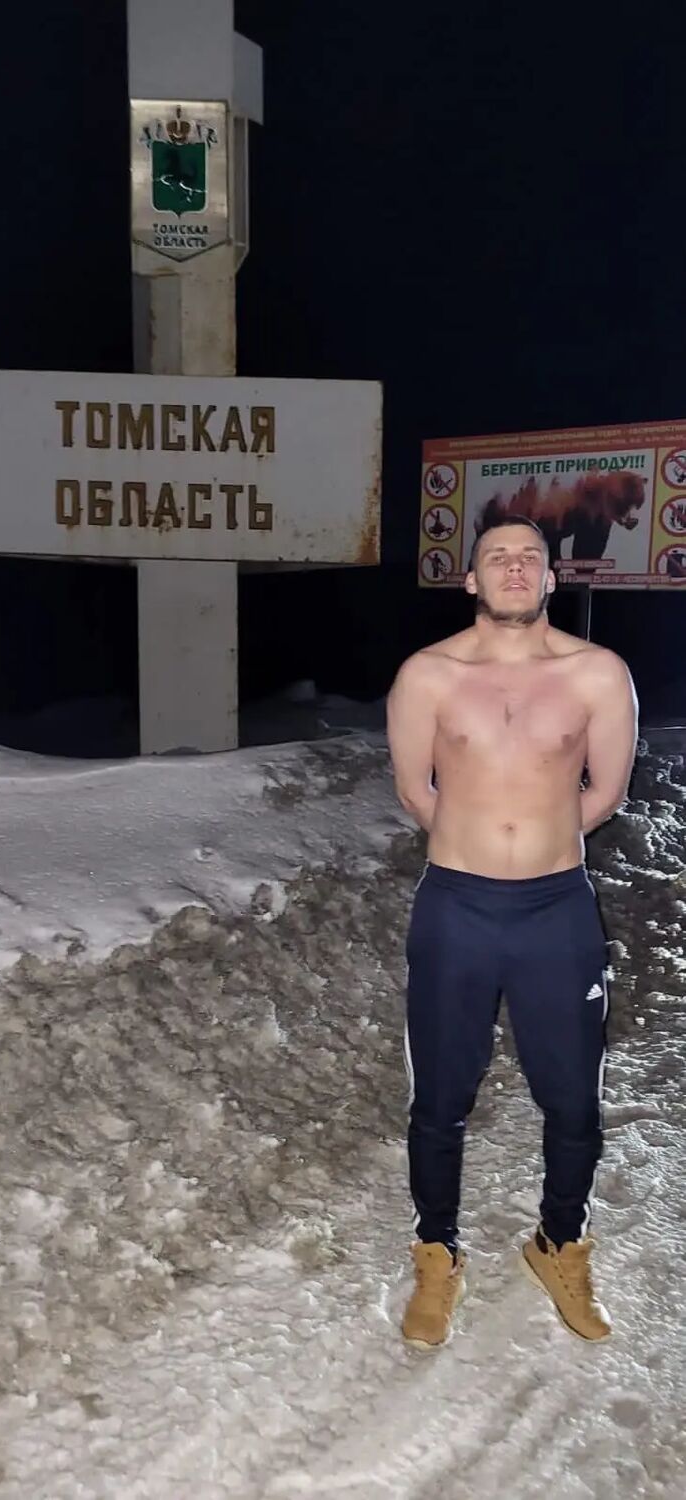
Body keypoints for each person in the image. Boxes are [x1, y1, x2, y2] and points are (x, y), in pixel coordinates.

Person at [387, 515, 638, 1347]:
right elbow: (415, 790)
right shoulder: (426, 675)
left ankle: (558, 1243)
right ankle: (436, 1254)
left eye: (530, 557)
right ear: (471, 580)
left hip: (554, 911)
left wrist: (536, 842)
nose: (515, 568)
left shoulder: (596, 673)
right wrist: (476, 843)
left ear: (550, 578)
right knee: (439, 1100)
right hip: (454, 910)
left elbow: (603, 791)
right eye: (497, 557)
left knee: (572, 1100)